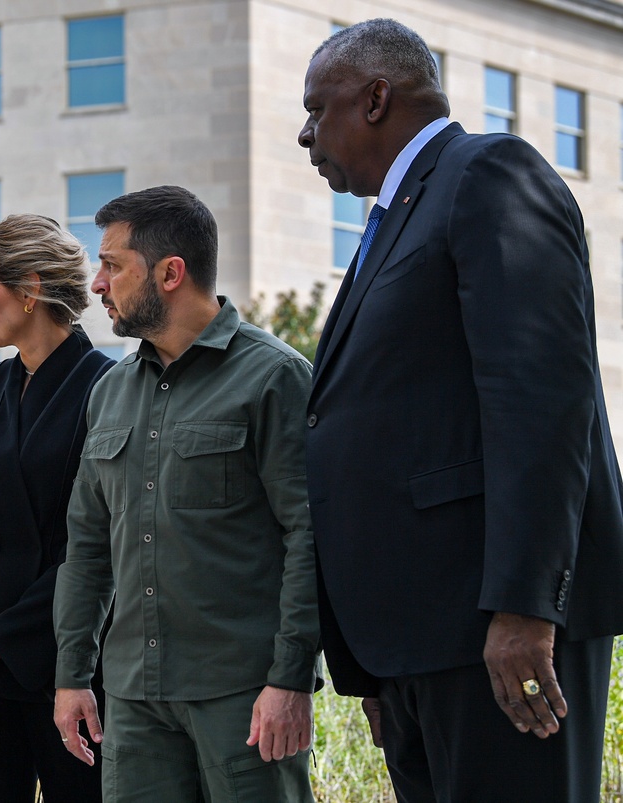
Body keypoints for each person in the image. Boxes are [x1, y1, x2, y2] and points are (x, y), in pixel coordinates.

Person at [298, 18, 623, 803]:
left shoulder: (489, 175)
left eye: (318, 108)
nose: (305, 133)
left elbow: (543, 400)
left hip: (494, 633)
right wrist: (376, 661)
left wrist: (524, 607)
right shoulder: (395, 217)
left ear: (376, 97)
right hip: (418, 647)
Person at [52, 185, 321, 802]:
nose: (98, 285)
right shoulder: (110, 391)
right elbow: (87, 547)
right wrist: (72, 676)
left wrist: (292, 679)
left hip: (245, 696)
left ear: (171, 272)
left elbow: (310, 535)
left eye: (113, 266)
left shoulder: (274, 376)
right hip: (133, 699)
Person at [0, 214, 113, 802]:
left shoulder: (108, 389)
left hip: (70, 673)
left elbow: (98, 546)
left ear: (30, 290)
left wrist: (0, 640)